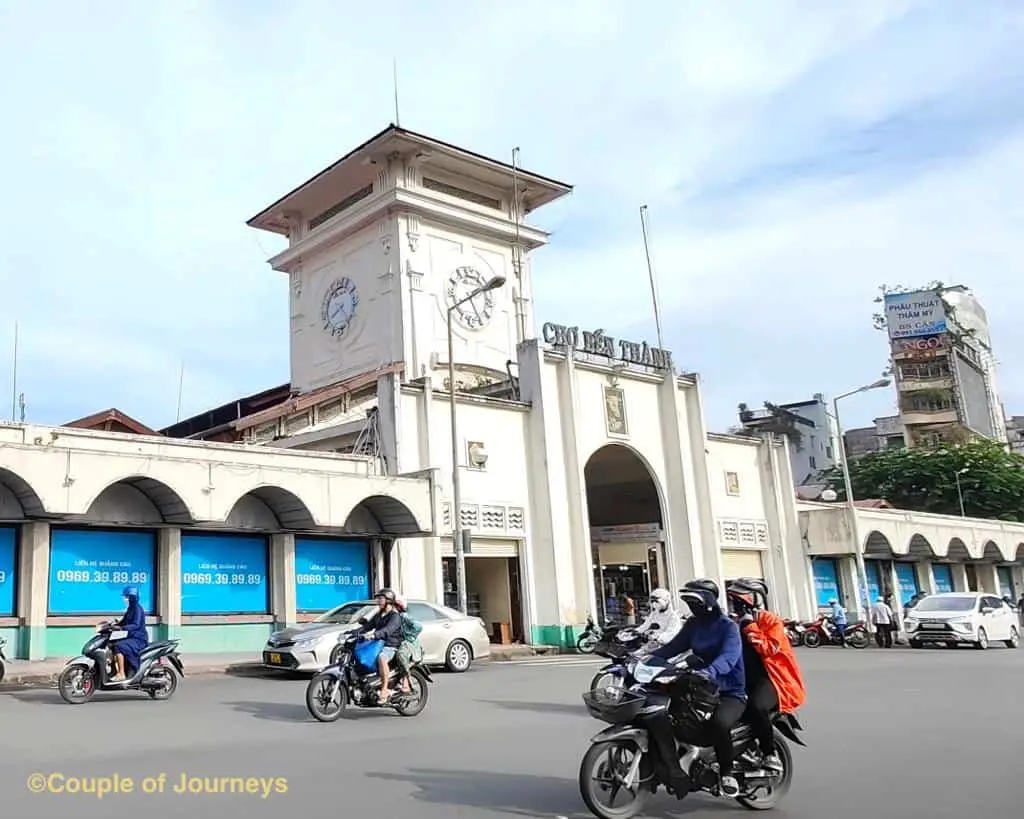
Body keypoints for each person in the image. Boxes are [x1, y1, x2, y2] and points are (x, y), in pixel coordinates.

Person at [652, 579, 746, 798]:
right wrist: (644, 659)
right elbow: (672, 648)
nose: (693, 607)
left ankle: (727, 772)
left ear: (710, 602)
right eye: (690, 602)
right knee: (668, 712)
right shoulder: (694, 624)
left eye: (696, 602)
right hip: (700, 685)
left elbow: (729, 658)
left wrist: (710, 672)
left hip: (728, 690)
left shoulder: (728, 627)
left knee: (719, 723)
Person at [726, 578, 806, 775]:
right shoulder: (733, 622)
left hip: (770, 680)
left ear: (755, 599)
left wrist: (750, 627)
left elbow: (770, 649)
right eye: (734, 599)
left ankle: (770, 753)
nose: (737, 604)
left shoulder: (769, 620)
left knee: (757, 706)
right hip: (739, 679)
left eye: (741, 599)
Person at [357, 588, 403, 701]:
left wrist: (374, 635)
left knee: (381, 658)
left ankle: (384, 688)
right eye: (378, 599)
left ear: (388, 600)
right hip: (378, 643)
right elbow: (368, 626)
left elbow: (388, 630)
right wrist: (355, 632)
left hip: (390, 645)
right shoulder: (379, 614)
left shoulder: (394, 616)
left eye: (381, 599)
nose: (378, 601)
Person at [108, 585, 149, 682]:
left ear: (133, 597)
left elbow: (136, 625)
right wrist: (113, 625)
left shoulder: (138, 609)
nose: (125, 599)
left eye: (127, 597)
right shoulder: (131, 608)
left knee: (119, 646)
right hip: (131, 637)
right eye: (125, 597)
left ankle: (121, 673)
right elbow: (124, 621)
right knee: (112, 644)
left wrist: (122, 628)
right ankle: (115, 670)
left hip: (139, 639)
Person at [634, 587, 682, 652]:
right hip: (651, 645)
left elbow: (671, 633)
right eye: (652, 601)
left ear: (666, 601)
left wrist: (657, 637)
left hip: (666, 647)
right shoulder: (654, 614)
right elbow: (645, 625)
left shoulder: (673, 617)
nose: (654, 604)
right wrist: (636, 631)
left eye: (656, 601)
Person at [393, 594, 424, 694]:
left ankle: (405, 682)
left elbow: (418, 626)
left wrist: (408, 636)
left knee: (401, 655)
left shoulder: (403, 617)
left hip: (410, 644)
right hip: (397, 642)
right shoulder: (392, 617)